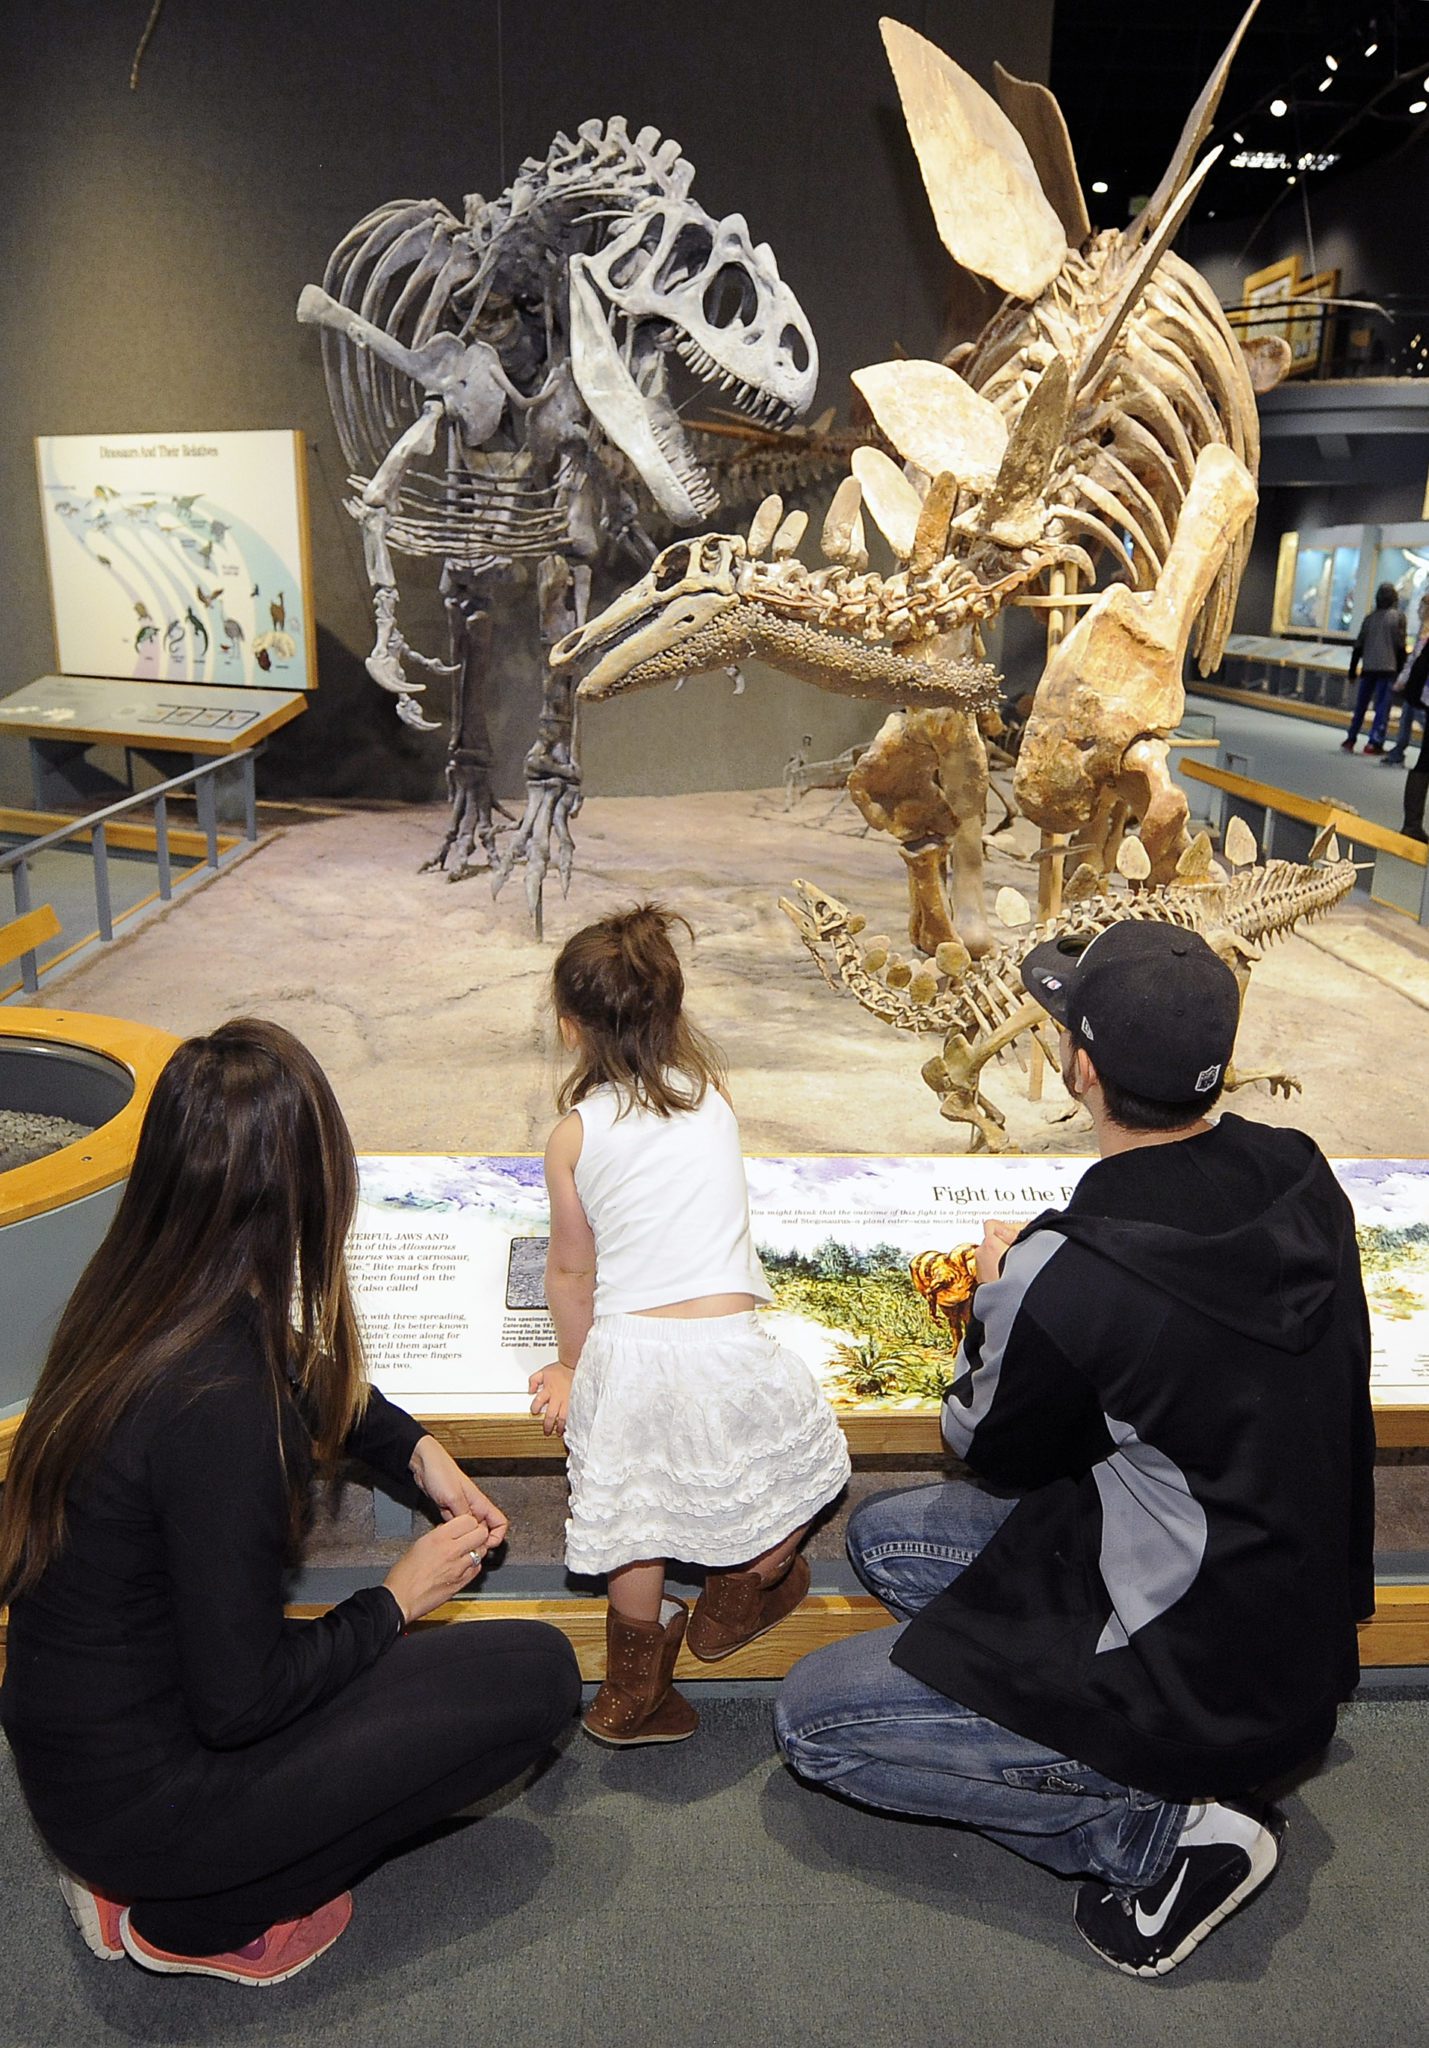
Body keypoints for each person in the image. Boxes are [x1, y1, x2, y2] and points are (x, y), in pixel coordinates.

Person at [775, 923, 1374, 1979]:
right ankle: (1153, 1761)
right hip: (1291, 1618)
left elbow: (981, 1434)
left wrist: (1004, 1292)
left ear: (1079, 1066)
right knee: (885, 1539)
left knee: (814, 1721)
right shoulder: (1298, 1167)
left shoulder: (1070, 1270)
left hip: (1189, 1667)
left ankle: (1162, 1833)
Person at [0, 1020, 580, 1986]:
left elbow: (300, 1371)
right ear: (309, 1191)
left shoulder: (131, 1294)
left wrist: (415, 1449)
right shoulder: (219, 1409)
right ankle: (196, 1918)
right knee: (537, 1679)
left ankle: (152, 1875)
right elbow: (242, 1704)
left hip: (83, 1755)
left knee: (486, 1665)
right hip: (151, 1802)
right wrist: (398, 1597)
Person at [529, 903, 849, 1745]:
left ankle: (629, 1699)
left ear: (570, 1027)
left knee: (635, 1525)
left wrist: (572, 1367)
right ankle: (750, 1580)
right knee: (803, 1464)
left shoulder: (572, 1135)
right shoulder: (714, 1102)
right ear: (672, 1012)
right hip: (725, 1350)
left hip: (629, 1355)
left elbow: (571, 1267)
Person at [1341, 581, 1407, 754]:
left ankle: (1351, 738)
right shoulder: (1398, 617)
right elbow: (1400, 646)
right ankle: (1374, 742)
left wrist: (1352, 669)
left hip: (1368, 668)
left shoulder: (1369, 618)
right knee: (1382, 708)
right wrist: (1401, 672)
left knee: (1361, 705)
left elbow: (1359, 646)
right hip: (1388, 669)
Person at [1381, 591, 1429, 766]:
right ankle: (1398, 750)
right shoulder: (1422, 630)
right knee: (1407, 716)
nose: (1418, 609)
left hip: (1420, 684)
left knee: (1417, 716)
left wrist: (1403, 678)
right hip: (1417, 683)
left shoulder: (1425, 633)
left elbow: (1416, 660)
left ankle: (1399, 751)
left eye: (1421, 607)